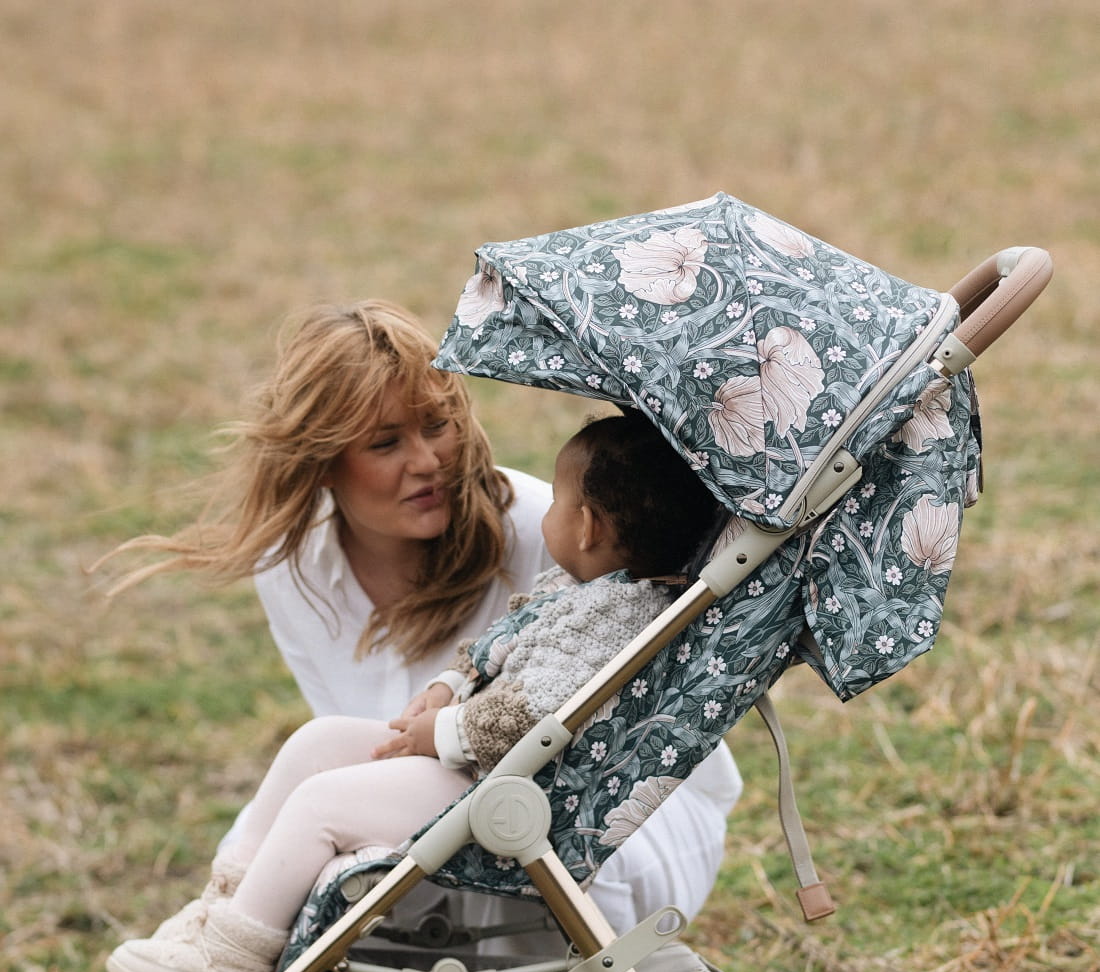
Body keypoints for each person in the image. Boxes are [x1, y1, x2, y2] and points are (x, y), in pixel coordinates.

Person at [98, 300, 742, 939]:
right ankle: (214, 964)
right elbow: (362, 744)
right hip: (430, 794)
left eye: (437, 425)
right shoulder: (292, 567)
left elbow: (584, 732)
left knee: (332, 843)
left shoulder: (555, 530)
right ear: (321, 462)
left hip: (604, 813)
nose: (428, 461)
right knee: (278, 838)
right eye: (385, 443)